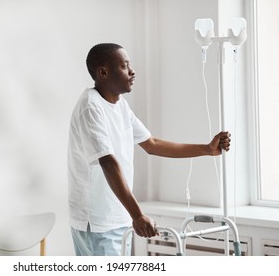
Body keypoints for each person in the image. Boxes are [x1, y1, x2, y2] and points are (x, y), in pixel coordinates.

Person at [67, 43, 231, 256]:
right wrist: (137, 215)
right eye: (125, 66)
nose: (132, 71)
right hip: (98, 221)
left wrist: (207, 149)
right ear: (103, 72)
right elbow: (108, 162)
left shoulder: (120, 106)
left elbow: (151, 144)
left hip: (118, 216)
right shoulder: (91, 107)